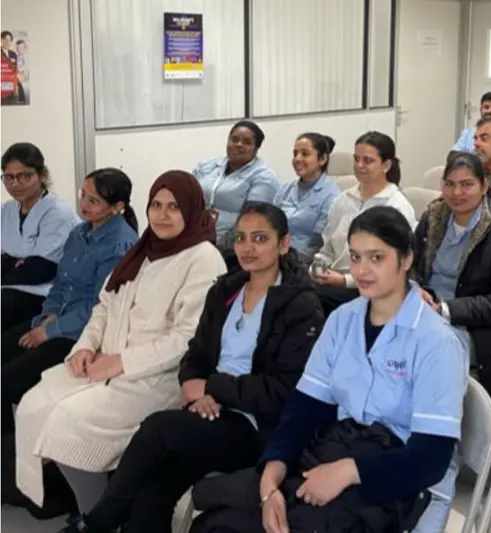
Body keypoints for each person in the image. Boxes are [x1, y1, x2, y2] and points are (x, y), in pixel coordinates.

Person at [188, 206, 468, 533]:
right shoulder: (342, 320)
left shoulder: (436, 342)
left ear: (405, 260)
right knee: (213, 523)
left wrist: (349, 472)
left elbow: (431, 458)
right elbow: (306, 407)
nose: (362, 270)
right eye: (356, 257)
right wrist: (273, 471)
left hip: (391, 478)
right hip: (331, 453)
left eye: (376, 258)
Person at [58, 202, 325, 533]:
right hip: (208, 411)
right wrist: (194, 385)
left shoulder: (300, 306)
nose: (247, 247)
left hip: (256, 425)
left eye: (260, 238)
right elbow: (196, 352)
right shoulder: (226, 289)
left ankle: (99, 522)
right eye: (241, 238)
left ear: (283, 244)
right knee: (151, 496)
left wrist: (212, 387)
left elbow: (283, 391)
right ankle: (107, 521)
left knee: (158, 429)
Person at [13, 170, 227, 516]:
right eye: (156, 205)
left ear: (191, 209)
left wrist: (121, 362)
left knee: (68, 422)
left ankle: (96, 516)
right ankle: (94, 508)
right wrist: (85, 346)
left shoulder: (202, 258)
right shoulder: (144, 249)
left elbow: (186, 338)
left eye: (173, 207)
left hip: (155, 377)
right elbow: (104, 306)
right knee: (33, 404)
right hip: (104, 362)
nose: (162, 215)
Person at [2, 168, 139, 435]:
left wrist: (50, 331)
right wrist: (48, 316)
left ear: (117, 207)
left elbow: (100, 306)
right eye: (83, 195)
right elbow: (61, 283)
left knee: (7, 382)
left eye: (93, 200)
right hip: (56, 319)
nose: (83, 204)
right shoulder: (78, 233)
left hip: (81, 334)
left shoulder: (120, 245)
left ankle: (12, 451)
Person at [413, 152, 491, 407]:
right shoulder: (434, 216)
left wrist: (444, 310)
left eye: (467, 184)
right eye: (450, 184)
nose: (457, 193)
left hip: (475, 327)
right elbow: (408, 263)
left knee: (419, 350)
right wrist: (413, 289)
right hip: (424, 309)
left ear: (484, 186)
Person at [312, 131, 416, 316]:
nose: (359, 165)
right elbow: (328, 248)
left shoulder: (396, 205)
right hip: (333, 281)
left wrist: (345, 280)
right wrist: (318, 267)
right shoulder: (342, 200)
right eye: (356, 159)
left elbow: (393, 267)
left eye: (368, 161)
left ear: (386, 165)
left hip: (369, 289)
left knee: (309, 303)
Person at [1, 142, 80, 331]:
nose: (15, 184)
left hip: (45, 295)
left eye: (25, 176)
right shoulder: (6, 210)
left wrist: (15, 263)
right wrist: (16, 264)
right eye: (9, 177)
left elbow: (40, 271)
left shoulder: (56, 212)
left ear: (42, 175)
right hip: (11, 290)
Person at [193, 120, 280, 254]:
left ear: (256, 148)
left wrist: (218, 247)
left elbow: (251, 220)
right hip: (196, 238)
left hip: (230, 248)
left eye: (247, 142)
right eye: (234, 140)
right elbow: (186, 198)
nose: (238, 144)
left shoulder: (264, 177)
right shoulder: (207, 166)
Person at [272, 133, 340, 261]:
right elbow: (270, 225)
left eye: (305, 154)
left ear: (322, 159)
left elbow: (319, 245)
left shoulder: (332, 196)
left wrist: (284, 258)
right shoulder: (285, 189)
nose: (297, 159)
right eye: (295, 153)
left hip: (305, 262)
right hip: (276, 256)